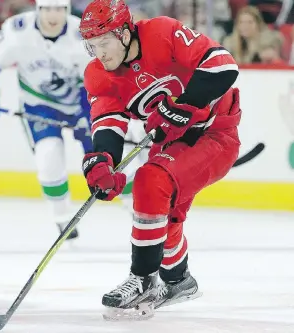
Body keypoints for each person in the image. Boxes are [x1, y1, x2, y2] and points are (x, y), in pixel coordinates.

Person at [79, 0, 242, 320]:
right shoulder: (98, 74)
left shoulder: (163, 33)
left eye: (104, 42)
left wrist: (184, 106)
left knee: (149, 180)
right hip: (171, 142)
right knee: (162, 215)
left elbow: (222, 64)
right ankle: (178, 278)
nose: (100, 53)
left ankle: (142, 278)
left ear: (124, 34)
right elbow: (108, 123)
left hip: (214, 134)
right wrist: (101, 161)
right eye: (92, 46)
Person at [0, 0, 146, 239]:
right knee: (48, 155)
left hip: (81, 102)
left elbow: (98, 80)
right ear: (38, 9)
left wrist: (88, 116)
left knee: (110, 159)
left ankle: (138, 211)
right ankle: (62, 218)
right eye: (47, 9)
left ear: (66, 10)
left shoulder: (83, 36)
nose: (53, 16)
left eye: (59, 9)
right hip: (39, 104)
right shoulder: (18, 30)